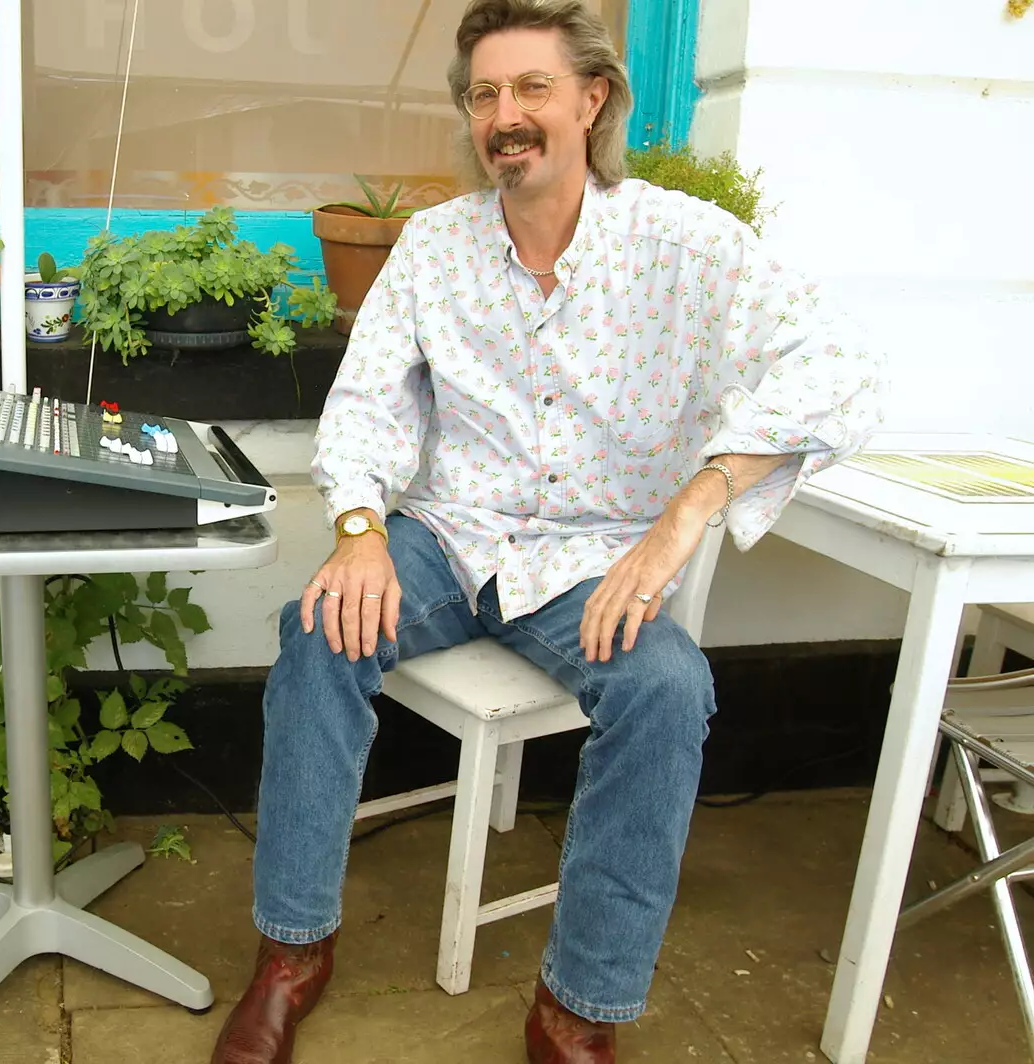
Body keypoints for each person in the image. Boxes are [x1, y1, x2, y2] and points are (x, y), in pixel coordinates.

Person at [208, 1, 886, 1062]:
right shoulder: (434, 245)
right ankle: (293, 948)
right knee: (317, 630)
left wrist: (689, 508)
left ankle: (580, 1001)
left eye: (530, 87)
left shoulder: (684, 243)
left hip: (591, 557)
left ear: (591, 99)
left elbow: (838, 367)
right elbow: (365, 404)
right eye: (484, 94)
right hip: (450, 534)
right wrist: (356, 530)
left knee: (667, 687)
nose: (504, 114)